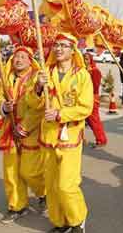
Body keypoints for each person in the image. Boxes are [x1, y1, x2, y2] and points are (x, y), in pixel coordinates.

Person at [34, 33, 92, 233]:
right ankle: (60, 222)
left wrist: (60, 114)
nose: (59, 49)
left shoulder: (82, 75)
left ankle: (77, 220)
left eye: (64, 46)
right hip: (48, 136)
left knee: (67, 185)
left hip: (70, 136)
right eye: (56, 45)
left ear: (72, 50)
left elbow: (86, 108)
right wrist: (38, 87)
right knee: (51, 184)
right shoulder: (44, 72)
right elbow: (32, 103)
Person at [0, 46, 47, 224]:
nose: (18, 60)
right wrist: (2, 107)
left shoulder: (38, 78)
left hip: (32, 130)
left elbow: (41, 105)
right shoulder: (5, 80)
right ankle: (17, 206)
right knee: (11, 171)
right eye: (16, 57)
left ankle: (43, 192)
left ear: (30, 60)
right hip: (10, 129)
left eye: (23, 57)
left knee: (31, 171)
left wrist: (25, 126)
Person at [84, 53, 107, 148]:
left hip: (92, 97)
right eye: (84, 59)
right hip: (83, 97)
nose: (85, 61)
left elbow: (95, 86)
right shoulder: (82, 70)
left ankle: (101, 139)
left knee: (94, 119)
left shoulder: (95, 71)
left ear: (91, 60)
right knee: (84, 119)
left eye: (87, 59)